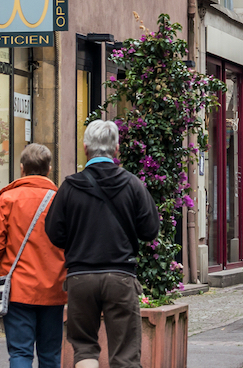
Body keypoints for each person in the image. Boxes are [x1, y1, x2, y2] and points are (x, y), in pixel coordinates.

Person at [45, 121, 161, 368]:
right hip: (120, 276)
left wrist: (78, 240)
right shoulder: (133, 185)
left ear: (85, 149)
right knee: (125, 354)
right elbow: (150, 231)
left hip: (81, 278)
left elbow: (54, 233)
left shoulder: (69, 187)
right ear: (116, 149)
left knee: (84, 348)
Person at [0, 144, 66, 368]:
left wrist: (7, 255)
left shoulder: (8, 199)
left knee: (20, 353)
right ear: (49, 169)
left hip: (18, 289)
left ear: (22, 169)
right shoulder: (61, 200)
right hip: (53, 288)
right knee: (50, 355)